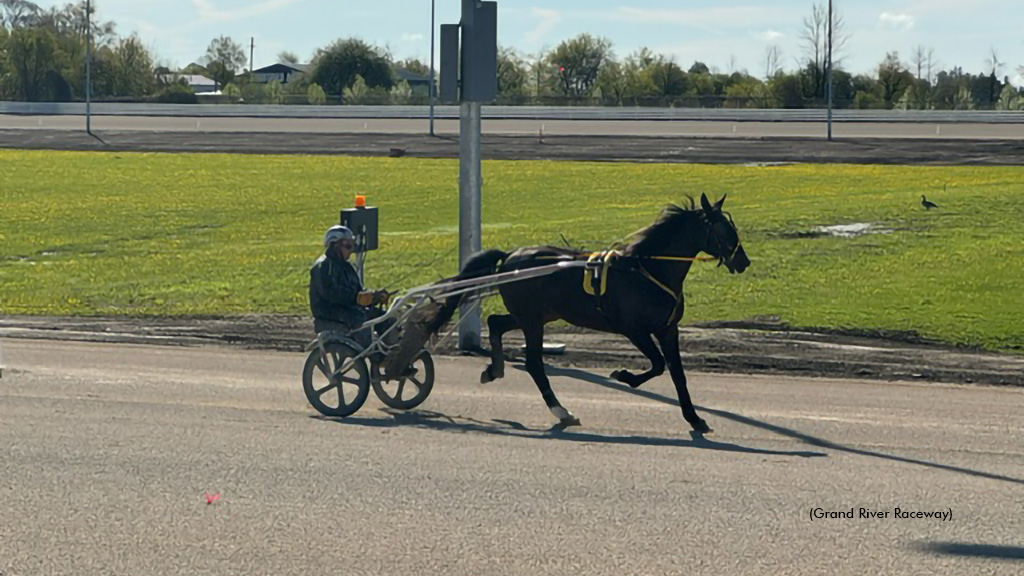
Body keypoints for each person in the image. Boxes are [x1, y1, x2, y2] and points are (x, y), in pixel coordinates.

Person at [309, 225, 390, 349]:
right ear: (334, 245)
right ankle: (372, 353)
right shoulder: (323, 266)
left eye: (352, 246)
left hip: (348, 308)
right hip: (328, 312)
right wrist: (357, 298)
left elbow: (359, 292)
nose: (351, 250)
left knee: (385, 318)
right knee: (360, 319)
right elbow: (331, 294)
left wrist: (374, 297)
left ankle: (391, 352)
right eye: (348, 246)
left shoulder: (348, 267)